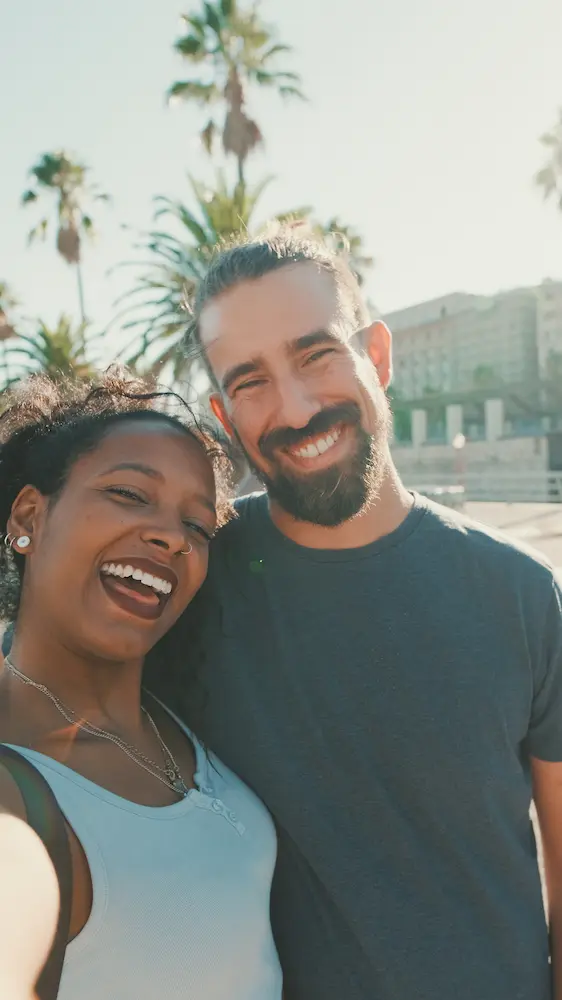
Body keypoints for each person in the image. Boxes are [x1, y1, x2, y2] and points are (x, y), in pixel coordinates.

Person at [162, 227, 562, 1000]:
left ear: (377, 355)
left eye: (317, 355)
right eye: (251, 381)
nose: (296, 407)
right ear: (224, 414)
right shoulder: (193, 585)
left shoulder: (520, 594)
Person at [0, 370, 282, 1000]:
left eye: (198, 527)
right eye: (128, 493)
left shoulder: (181, 714)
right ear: (30, 516)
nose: (173, 536)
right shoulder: (14, 795)